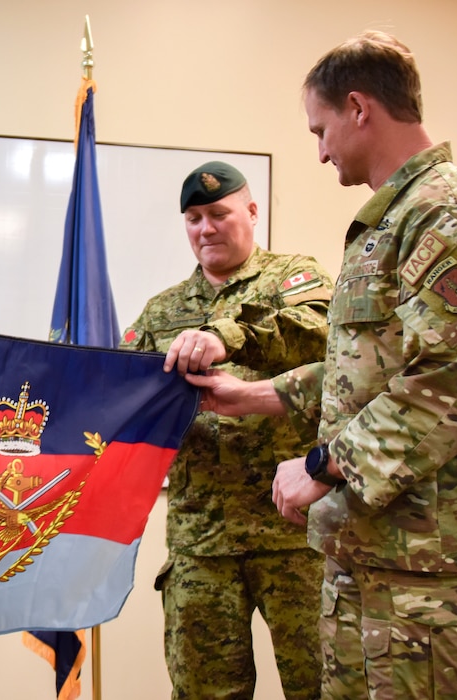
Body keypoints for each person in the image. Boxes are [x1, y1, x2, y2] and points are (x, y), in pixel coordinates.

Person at [184, 31, 457, 699]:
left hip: (431, 577)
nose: (318, 152)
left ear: (359, 106)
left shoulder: (448, 214)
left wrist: (319, 467)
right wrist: (249, 397)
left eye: (321, 130)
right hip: (368, 562)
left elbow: (446, 388)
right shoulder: (390, 222)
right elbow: (362, 373)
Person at [122, 161, 334, 699]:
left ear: (252, 211)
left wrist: (227, 334)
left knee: (325, 688)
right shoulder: (162, 311)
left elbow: (323, 338)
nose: (206, 228)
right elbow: (121, 392)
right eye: (193, 218)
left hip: (294, 535)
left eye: (219, 213)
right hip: (202, 541)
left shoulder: (294, 279)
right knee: (205, 693)